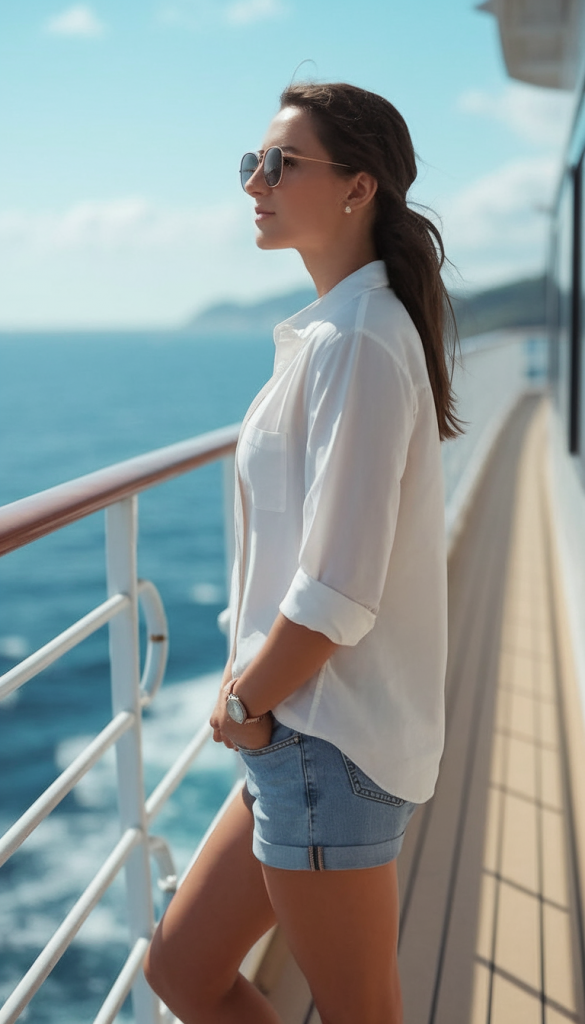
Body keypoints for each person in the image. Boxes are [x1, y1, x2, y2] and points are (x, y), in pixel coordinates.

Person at [144, 81, 460, 1024]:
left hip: (319, 739)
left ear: (358, 187)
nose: (255, 182)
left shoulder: (359, 339)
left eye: (280, 163)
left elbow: (336, 589)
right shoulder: (335, 331)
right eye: (252, 163)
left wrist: (244, 700)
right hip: (296, 736)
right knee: (180, 971)